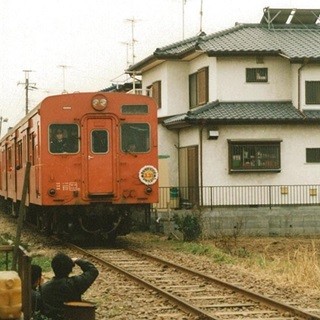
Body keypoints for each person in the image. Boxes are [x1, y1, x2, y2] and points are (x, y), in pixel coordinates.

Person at [40, 253, 99, 320]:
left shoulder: (44, 288)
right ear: (70, 269)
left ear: (53, 267)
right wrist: (77, 260)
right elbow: (93, 271)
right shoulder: (75, 284)